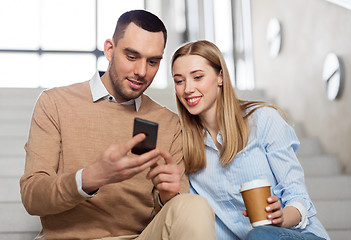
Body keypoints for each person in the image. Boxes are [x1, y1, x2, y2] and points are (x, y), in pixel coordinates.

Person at [20, 10, 215, 240]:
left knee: (195, 205)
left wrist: (167, 196)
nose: (142, 72)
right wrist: (90, 177)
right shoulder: (55, 103)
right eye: (132, 57)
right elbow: (32, 197)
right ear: (110, 50)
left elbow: (177, 216)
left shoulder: (168, 123)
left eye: (152, 61)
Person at [171, 40, 330, 240]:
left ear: (220, 77)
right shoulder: (185, 144)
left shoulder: (263, 120)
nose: (188, 89)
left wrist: (281, 218)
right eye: (179, 81)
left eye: (198, 77)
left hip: (291, 235)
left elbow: (298, 196)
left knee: (261, 235)